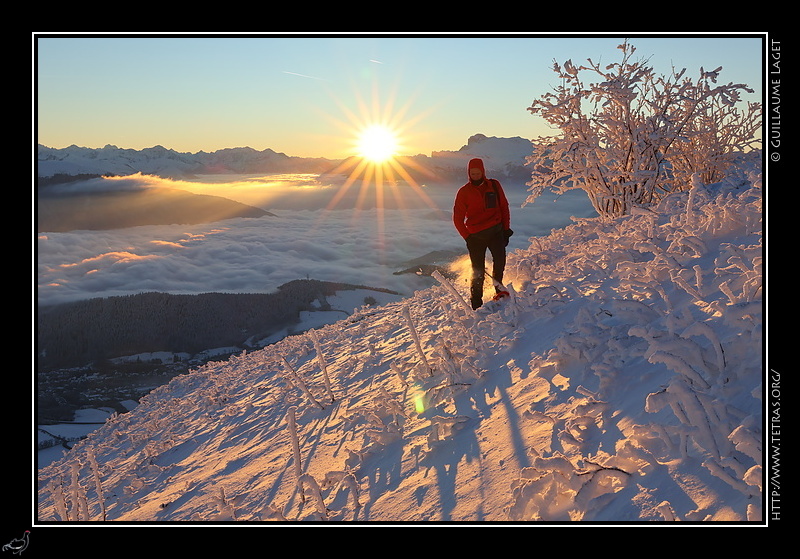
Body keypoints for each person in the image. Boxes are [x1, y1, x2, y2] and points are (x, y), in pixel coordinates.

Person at [453, 158, 513, 309]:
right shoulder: (464, 192)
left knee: (500, 262)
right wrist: (467, 237)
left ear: (483, 172)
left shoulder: (494, 185)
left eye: (477, 172)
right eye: (472, 173)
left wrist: (506, 230)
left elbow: (504, 207)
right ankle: (476, 303)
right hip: (476, 237)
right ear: (468, 173)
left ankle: (499, 292)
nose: (475, 175)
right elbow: (457, 218)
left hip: (496, 231)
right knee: (477, 270)